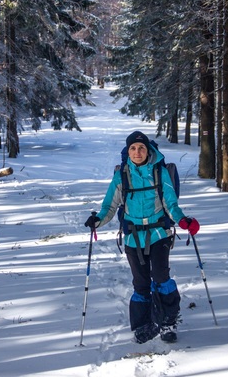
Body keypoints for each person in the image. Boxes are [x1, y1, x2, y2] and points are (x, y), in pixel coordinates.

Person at [84, 131, 200, 344]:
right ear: (128, 151)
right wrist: (97, 221)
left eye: (141, 148)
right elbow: (109, 205)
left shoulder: (160, 172)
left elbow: (170, 204)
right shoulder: (122, 175)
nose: (137, 152)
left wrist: (183, 221)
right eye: (133, 148)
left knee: (161, 277)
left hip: (159, 233)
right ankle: (144, 325)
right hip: (133, 236)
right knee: (141, 282)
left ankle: (168, 322)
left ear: (149, 150)